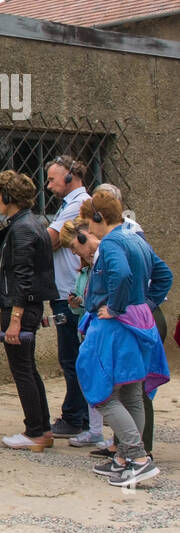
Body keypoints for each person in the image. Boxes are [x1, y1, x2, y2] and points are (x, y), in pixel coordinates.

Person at [76, 190, 171, 486]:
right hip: (140, 322)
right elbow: (164, 274)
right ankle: (124, 459)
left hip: (116, 326)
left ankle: (137, 457)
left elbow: (120, 272)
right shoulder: (134, 237)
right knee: (131, 392)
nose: (87, 229)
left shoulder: (114, 241)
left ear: (98, 217)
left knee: (103, 394)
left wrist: (116, 308)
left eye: (89, 221)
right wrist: (146, 303)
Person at [0, 170, 59, 451]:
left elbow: (22, 275)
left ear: (8, 198)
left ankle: (34, 430)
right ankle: (41, 427)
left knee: (22, 369)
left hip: (19, 307)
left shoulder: (21, 229)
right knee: (28, 368)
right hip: (26, 306)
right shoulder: (32, 224)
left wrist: (15, 319)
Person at [45, 156, 92, 442]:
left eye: (52, 179)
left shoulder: (77, 204)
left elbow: (51, 239)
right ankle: (81, 414)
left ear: (69, 176)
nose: (48, 185)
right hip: (65, 290)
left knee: (72, 356)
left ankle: (76, 417)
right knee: (72, 356)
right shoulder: (69, 204)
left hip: (69, 293)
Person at [63, 219, 107, 449]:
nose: (73, 253)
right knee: (89, 380)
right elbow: (85, 304)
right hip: (87, 329)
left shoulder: (103, 262)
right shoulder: (85, 270)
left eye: (73, 247)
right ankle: (95, 430)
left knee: (104, 385)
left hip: (100, 331)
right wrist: (76, 303)